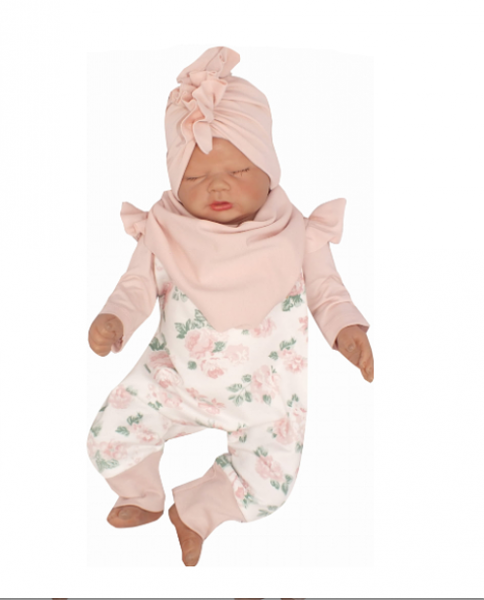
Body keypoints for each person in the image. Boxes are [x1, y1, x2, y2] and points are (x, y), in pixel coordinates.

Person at [87, 46, 374, 568]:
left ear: (268, 169)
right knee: (108, 436)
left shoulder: (297, 234)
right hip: (174, 379)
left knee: (271, 483)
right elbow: (135, 286)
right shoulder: (165, 232)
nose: (217, 185)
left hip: (264, 394)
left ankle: (197, 512)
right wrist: (114, 319)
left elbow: (327, 291)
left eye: (238, 169)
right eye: (195, 178)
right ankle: (141, 493)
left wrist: (346, 329)